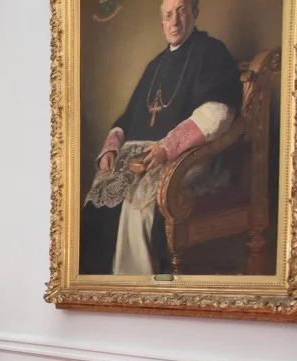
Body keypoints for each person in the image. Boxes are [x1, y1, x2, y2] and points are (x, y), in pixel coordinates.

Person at [79, 0, 242, 275]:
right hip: (140, 157)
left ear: (195, 13)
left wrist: (168, 147)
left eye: (181, 11)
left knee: (137, 206)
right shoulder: (155, 65)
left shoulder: (212, 52)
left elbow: (219, 112)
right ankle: (99, 288)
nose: (174, 21)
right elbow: (128, 118)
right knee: (97, 201)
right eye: (168, 15)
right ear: (162, 22)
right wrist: (111, 148)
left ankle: (137, 289)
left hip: (188, 157)